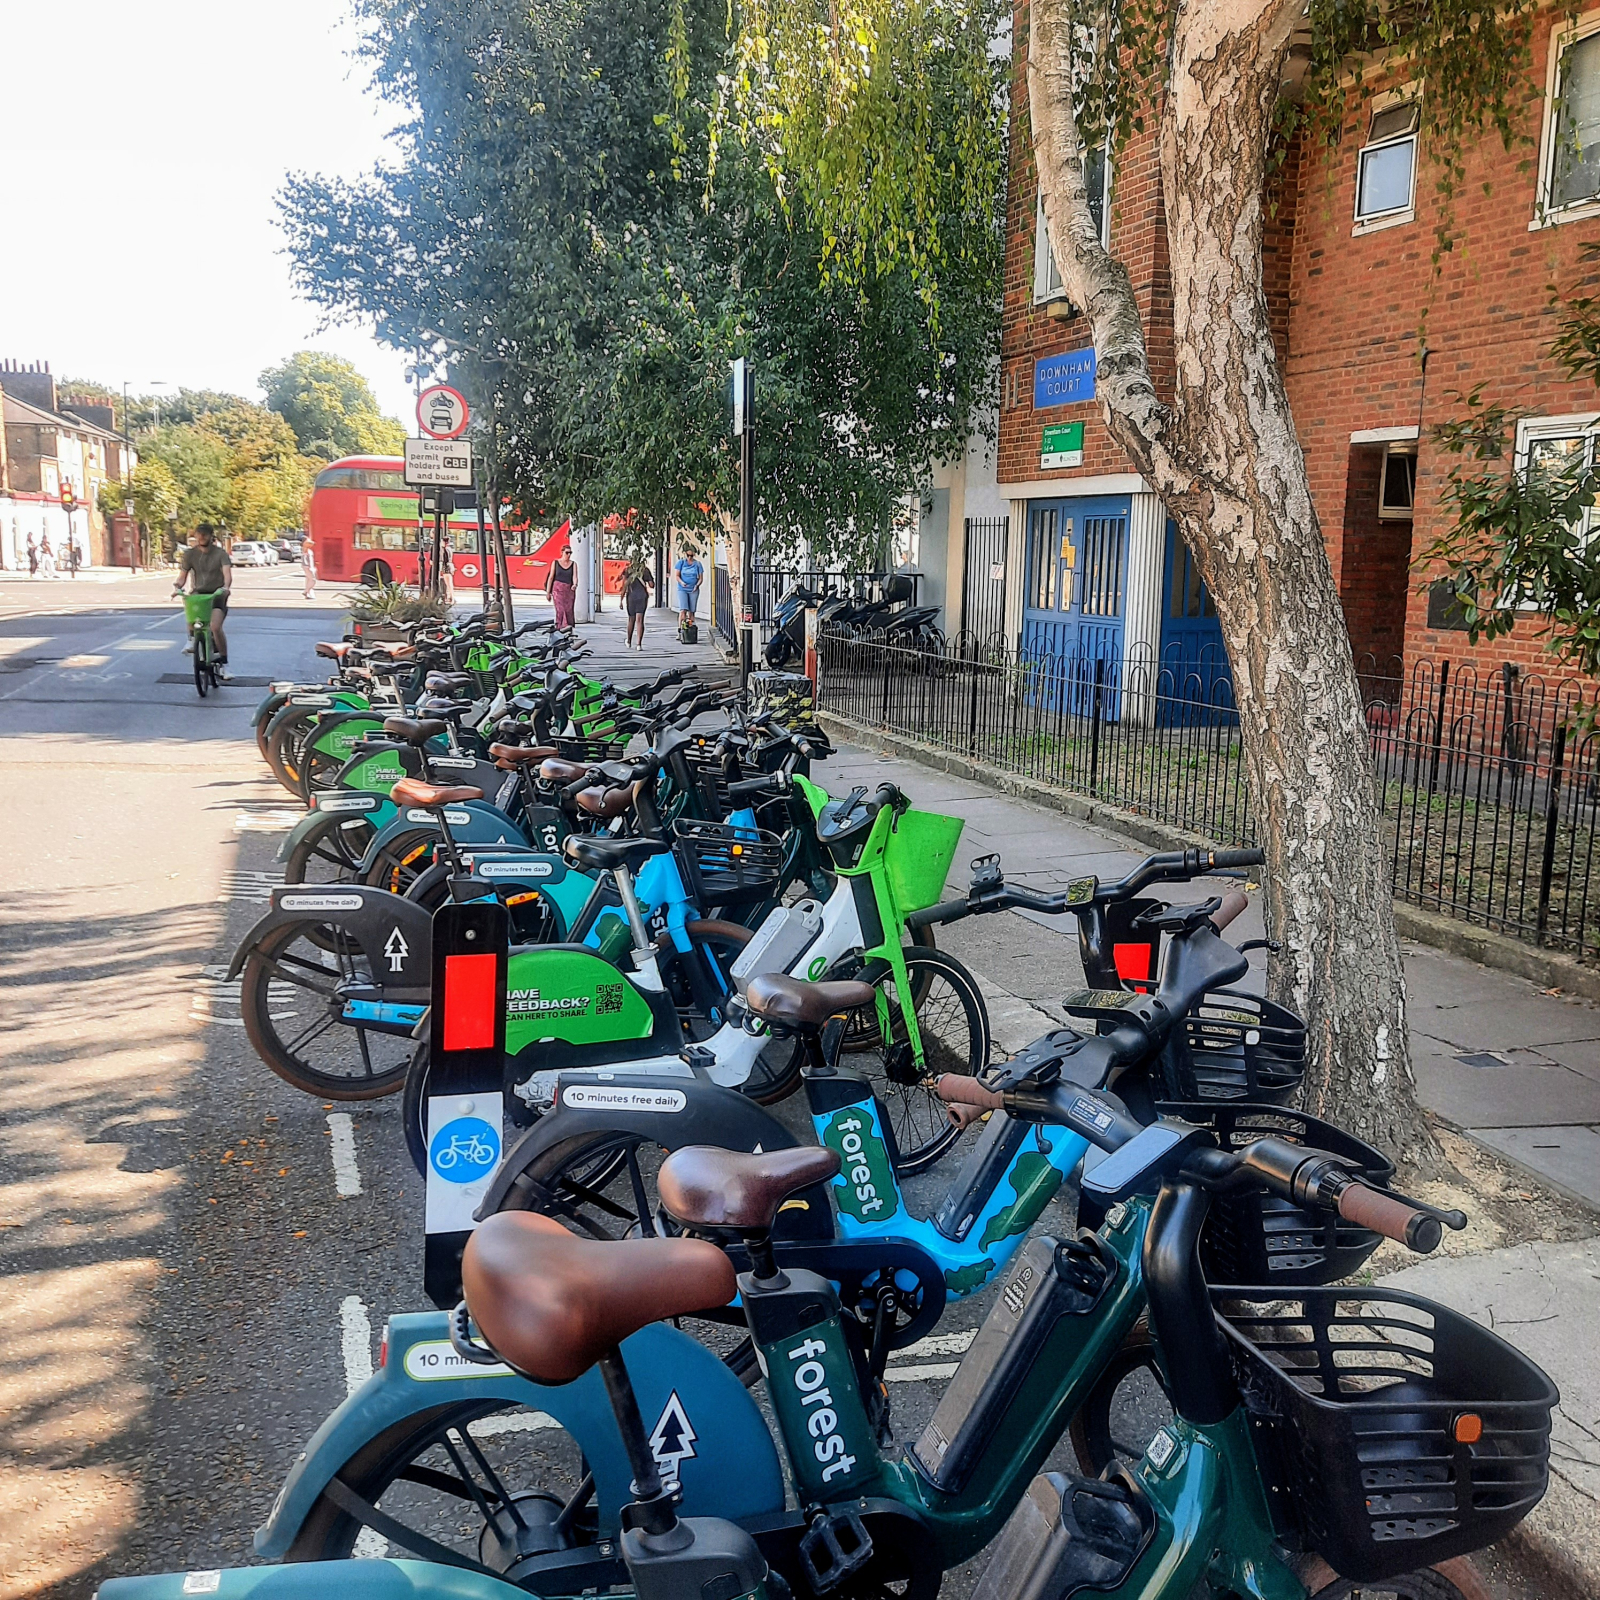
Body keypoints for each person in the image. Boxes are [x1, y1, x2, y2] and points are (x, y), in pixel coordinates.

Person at [172, 523, 233, 681]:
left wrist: (226, 587)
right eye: (199, 535)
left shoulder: (220, 554)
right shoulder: (190, 554)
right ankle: (192, 639)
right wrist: (178, 586)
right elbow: (182, 576)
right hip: (199, 593)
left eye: (204, 535)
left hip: (217, 594)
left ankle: (225, 665)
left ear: (211, 536)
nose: (201, 538)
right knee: (192, 614)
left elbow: (227, 574)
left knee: (215, 626)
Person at [623, 559, 653, 650]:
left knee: (631, 620)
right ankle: (639, 644)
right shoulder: (645, 570)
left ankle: (628, 641)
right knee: (640, 620)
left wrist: (621, 599)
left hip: (631, 597)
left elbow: (624, 585)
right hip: (642, 597)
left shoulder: (628, 570)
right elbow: (652, 585)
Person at [673, 544, 704, 629]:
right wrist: (682, 582)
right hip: (682, 589)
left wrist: (697, 585)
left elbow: (701, 579)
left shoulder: (697, 564)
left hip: (693, 589)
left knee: (692, 611)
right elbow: (677, 576)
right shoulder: (681, 563)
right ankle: (680, 629)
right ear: (685, 554)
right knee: (683, 609)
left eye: (691, 555)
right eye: (688, 555)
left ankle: (690, 630)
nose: (689, 557)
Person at [547, 543, 577, 631]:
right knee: (560, 610)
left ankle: (568, 627)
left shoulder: (573, 564)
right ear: (562, 552)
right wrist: (548, 592)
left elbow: (574, 576)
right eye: (567, 553)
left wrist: (575, 584)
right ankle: (559, 627)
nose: (569, 555)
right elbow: (551, 577)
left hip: (569, 590)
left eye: (570, 553)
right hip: (557, 589)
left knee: (568, 610)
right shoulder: (555, 563)